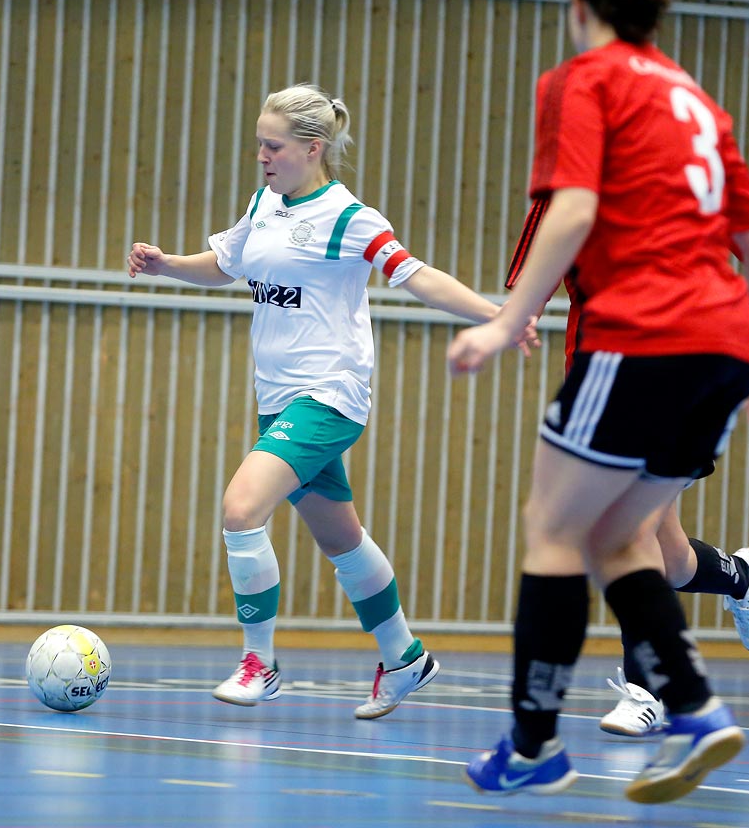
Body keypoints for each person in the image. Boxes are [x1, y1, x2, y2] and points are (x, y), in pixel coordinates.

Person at [448, 0, 749, 804]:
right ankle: (696, 707)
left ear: (579, 8)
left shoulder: (583, 79)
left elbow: (573, 211)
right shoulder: (700, 106)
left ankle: (533, 743)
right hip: (727, 348)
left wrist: (504, 324)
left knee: (553, 532)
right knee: (617, 537)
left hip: (645, 335)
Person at [126, 83, 538, 720]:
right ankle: (405, 658)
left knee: (241, 510)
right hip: (278, 396)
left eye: (273, 146)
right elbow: (227, 262)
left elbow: (418, 275)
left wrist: (501, 318)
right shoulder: (265, 202)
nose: (261, 157)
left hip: (330, 395)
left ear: (311, 149)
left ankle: (259, 664)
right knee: (342, 540)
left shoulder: (349, 219)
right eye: (260, 145)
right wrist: (166, 265)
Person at [597, 247, 749, 737]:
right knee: (673, 560)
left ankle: (648, 691)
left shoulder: (708, 191)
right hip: (618, 378)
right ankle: (740, 576)